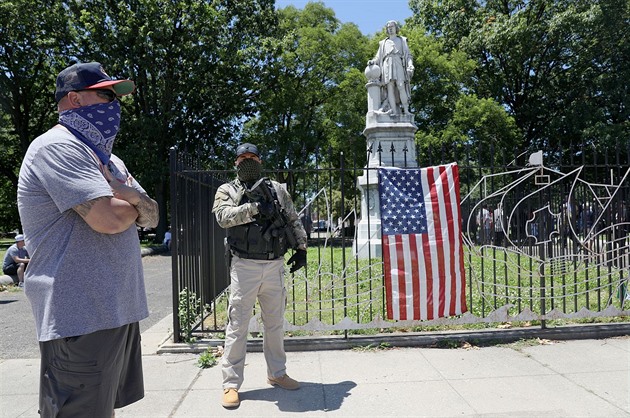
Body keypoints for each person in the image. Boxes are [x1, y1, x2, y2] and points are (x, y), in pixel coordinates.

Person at [17, 62, 159, 417]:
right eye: (106, 95)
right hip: (79, 316)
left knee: (102, 410)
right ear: (75, 99)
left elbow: (153, 215)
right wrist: (129, 202)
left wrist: (122, 194)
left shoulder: (110, 160)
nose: (114, 105)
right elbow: (109, 219)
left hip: (116, 311)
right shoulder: (56, 147)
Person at [212, 142, 308, 409]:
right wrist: (253, 209)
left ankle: (277, 373)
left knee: (275, 323)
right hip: (244, 267)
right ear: (235, 163)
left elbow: (293, 219)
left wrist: (301, 248)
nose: (247, 161)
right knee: (238, 324)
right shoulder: (227, 190)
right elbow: (222, 217)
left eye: (252, 157)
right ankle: (230, 384)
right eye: (243, 158)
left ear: (260, 160)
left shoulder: (277, 190)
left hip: (274, 264)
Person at [368, 20, 414, 115]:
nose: (390, 29)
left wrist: (410, 65)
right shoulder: (383, 43)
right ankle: (393, 110)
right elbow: (378, 56)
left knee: (401, 85)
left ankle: (405, 110)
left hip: (398, 62)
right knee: (390, 88)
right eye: (388, 27)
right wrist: (373, 61)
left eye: (392, 27)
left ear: (396, 28)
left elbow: (408, 56)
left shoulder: (402, 40)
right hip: (387, 64)